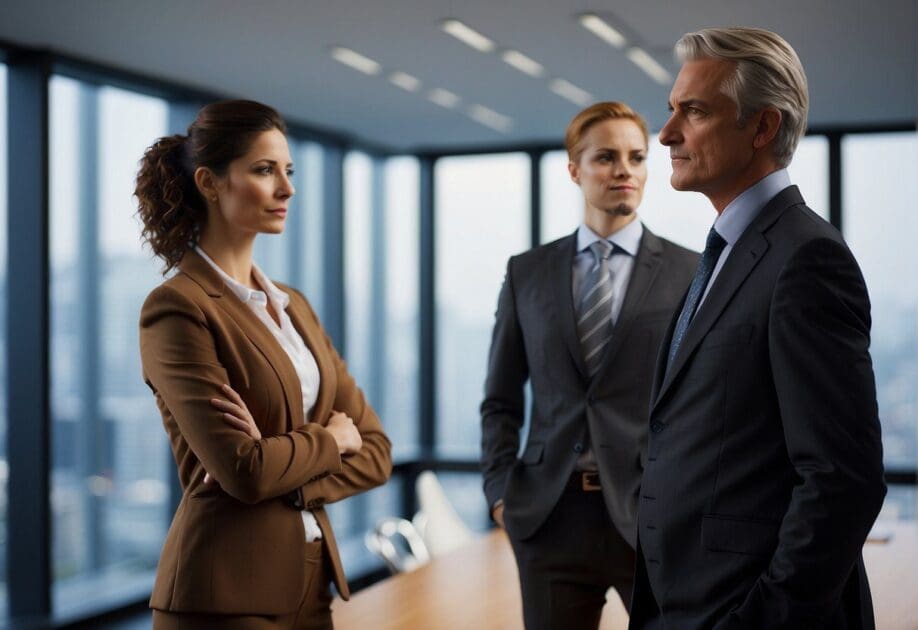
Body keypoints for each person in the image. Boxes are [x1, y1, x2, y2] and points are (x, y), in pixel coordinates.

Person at [629, 27, 886, 630]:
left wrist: (765, 618)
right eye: (672, 112)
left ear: (763, 127)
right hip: (683, 602)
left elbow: (842, 478)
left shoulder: (806, 258)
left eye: (693, 112)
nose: (666, 135)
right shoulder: (723, 255)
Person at [135, 99, 392, 629]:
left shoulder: (293, 306)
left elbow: (377, 452)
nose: (287, 189)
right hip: (223, 593)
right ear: (210, 182)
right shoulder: (179, 307)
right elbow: (244, 471)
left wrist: (285, 472)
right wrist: (331, 441)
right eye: (264, 170)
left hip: (310, 583)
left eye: (288, 171)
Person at [480, 102, 699, 630]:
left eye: (637, 157)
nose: (624, 169)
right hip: (550, 517)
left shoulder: (690, 271)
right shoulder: (527, 272)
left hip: (652, 514)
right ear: (574, 169)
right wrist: (499, 495)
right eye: (606, 157)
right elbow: (501, 398)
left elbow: (704, 401)